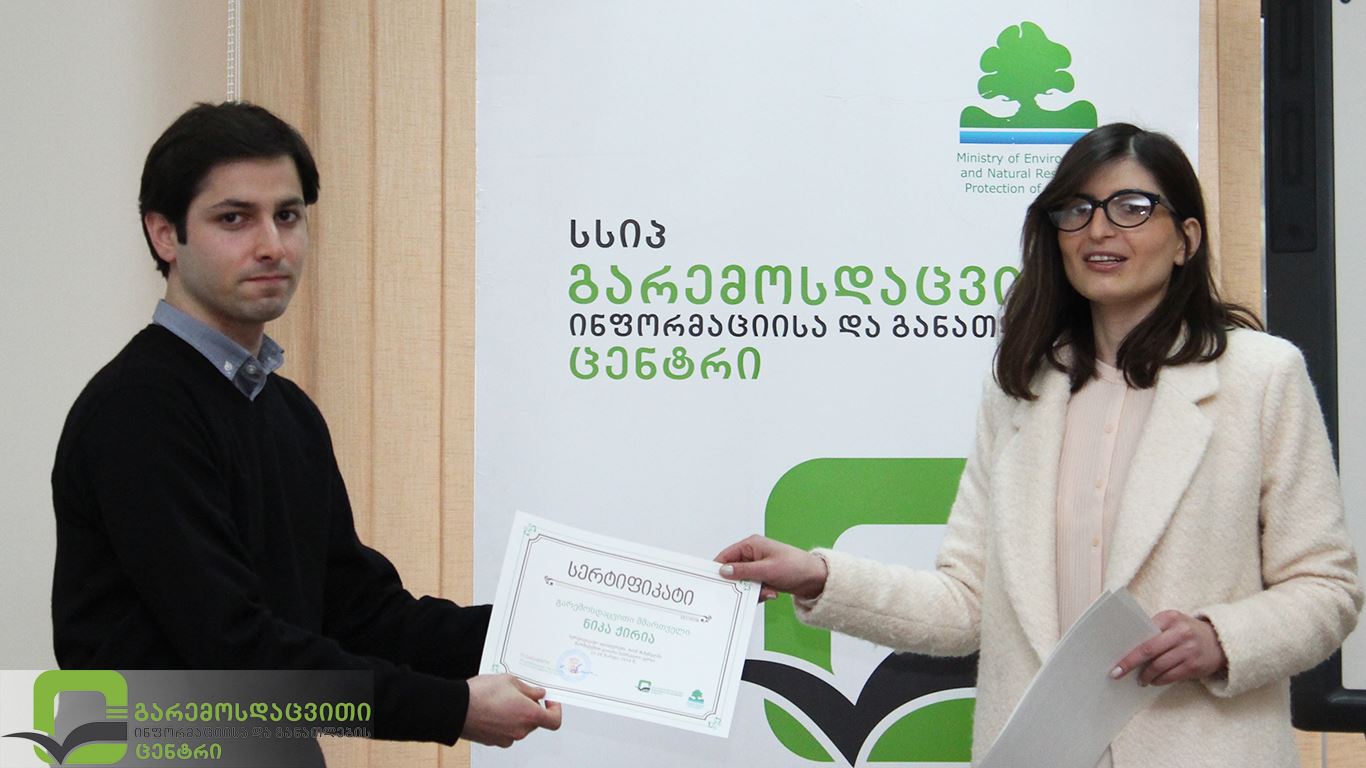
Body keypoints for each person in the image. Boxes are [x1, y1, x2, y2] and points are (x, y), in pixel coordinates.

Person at [717, 123, 1361, 767]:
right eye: (1076, 210)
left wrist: (1221, 639)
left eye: (1132, 207)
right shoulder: (1021, 388)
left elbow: (1326, 588)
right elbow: (966, 603)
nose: (1098, 230)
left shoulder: (1261, 377)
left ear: (1186, 240)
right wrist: (819, 575)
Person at [51, 102, 560, 750]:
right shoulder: (138, 409)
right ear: (164, 235)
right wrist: (453, 708)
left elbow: (359, 613)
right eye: (234, 218)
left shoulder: (285, 409)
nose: (272, 244)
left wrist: (555, 633)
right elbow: (235, 656)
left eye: (288, 215)